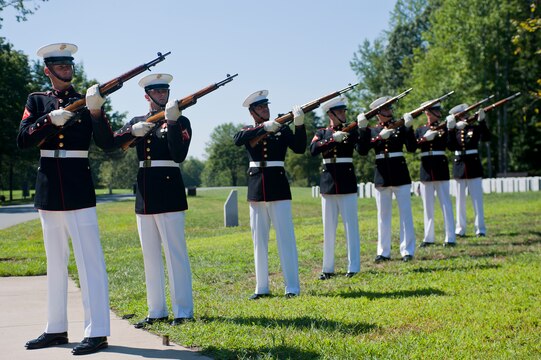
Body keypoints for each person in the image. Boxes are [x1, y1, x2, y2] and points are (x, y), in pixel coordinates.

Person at [17, 43, 111, 355]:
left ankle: (97, 331)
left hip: (77, 185)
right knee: (55, 262)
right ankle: (55, 328)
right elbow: (23, 139)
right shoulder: (37, 100)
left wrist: (96, 111)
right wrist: (47, 121)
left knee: (90, 261)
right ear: (48, 70)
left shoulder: (85, 101)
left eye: (69, 64)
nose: (66, 69)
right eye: (59, 65)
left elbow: (107, 143)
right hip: (48, 187)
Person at [112, 73, 194, 327]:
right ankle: (156, 310)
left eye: (164, 91)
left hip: (169, 187)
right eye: (156, 92)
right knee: (150, 255)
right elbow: (115, 144)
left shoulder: (181, 121)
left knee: (175, 253)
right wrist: (131, 132)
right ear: (147, 96)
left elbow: (178, 154)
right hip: (145, 191)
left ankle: (183, 311)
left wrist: (171, 121)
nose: (162, 95)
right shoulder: (137, 121)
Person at [234, 90, 306, 299]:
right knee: (259, 241)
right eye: (260, 107)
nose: (265, 109)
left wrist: (299, 124)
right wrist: (264, 128)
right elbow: (238, 139)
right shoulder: (249, 130)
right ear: (252, 112)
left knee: (286, 238)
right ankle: (261, 287)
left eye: (266, 106)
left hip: (278, 186)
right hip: (257, 188)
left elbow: (300, 148)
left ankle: (292, 286)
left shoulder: (282, 129)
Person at [357, 96, 417, 262]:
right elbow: (362, 150)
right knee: (383, 216)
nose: (390, 111)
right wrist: (363, 130)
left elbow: (412, 148)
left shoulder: (400, 127)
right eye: (386, 109)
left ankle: (407, 250)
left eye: (390, 108)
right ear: (378, 113)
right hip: (382, 175)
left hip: (400, 174)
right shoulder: (372, 131)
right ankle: (383, 252)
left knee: (405, 214)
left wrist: (409, 128)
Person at [310, 97, 361, 280]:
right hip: (328, 183)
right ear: (330, 114)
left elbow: (362, 149)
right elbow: (313, 149)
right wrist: (332, 139)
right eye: (339, 112)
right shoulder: (322, 132)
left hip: (346, 181)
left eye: (343, 111)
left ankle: (354, 266)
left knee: (351, 227)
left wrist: (361, 128)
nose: (343, 114)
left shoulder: (352, 130)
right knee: (328, 228)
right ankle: (327, 268)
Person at [415, 100, 456, 247]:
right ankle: (428, 237)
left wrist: (451, 130)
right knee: (428, 206)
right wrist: (424, 138)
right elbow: (413, 146)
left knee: (446, 203)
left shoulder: (444, 128)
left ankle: (450, 237)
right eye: (435, 111)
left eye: (439, 111)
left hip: (440, 167)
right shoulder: (420, 130)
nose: (438, 113)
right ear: (427, 113)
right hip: (426, 169)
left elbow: (452, 146)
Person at [446, 104, 490, 237]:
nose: (465, 116)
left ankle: (480, 229)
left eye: (465, 114)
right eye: (462, 115)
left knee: (477, 200)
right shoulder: (455, 130)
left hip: (473, 165)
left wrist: (482, 122)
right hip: (460, 166)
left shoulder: (474, 128)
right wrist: (451, 130)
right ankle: (460, 229)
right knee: (460, 201)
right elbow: (450, 146)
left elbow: (486, 137)